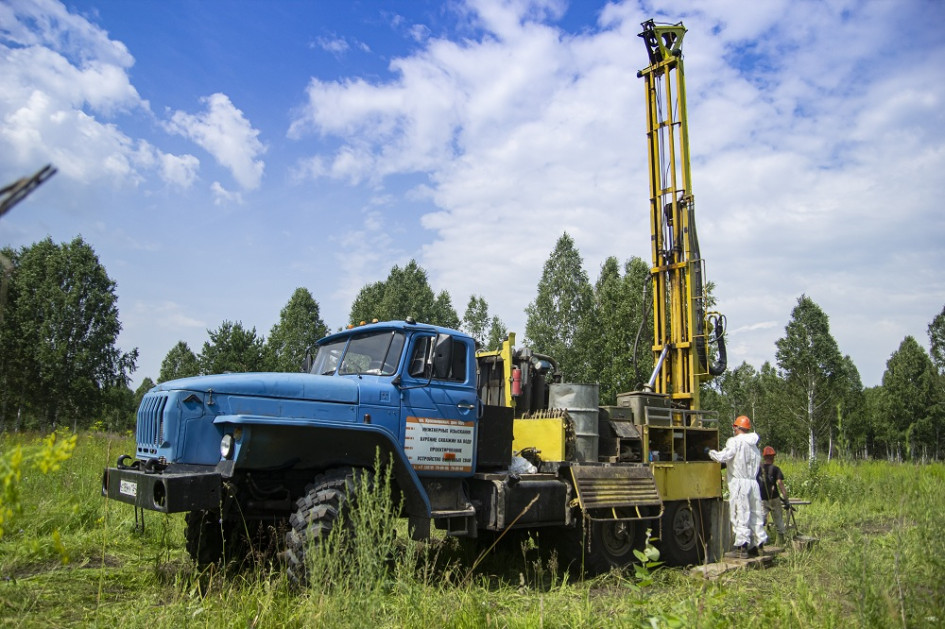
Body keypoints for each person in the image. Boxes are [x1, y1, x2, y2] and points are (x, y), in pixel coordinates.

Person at [709, 415, 768, 558]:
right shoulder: (754, 446)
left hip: (740, 483)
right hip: (753, 483)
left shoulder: (735, 442)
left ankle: (741, 548)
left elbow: (724, 457)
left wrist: (710, 452)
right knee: (755, 514)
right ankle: (757, 546)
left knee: (740, 513)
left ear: (736, 428)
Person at [758, 445, 789, 542]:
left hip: (762, 498)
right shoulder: (776, 469)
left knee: (761, 520)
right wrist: (786, 500)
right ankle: (781, 541)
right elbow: (780, 483)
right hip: (774, 498)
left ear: (764, 457)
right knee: (778, 519)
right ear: (773, 457)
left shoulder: (758, 469)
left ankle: (761, 540)